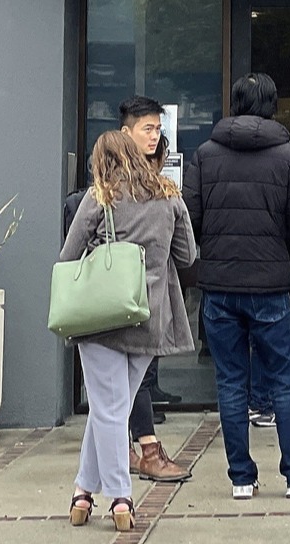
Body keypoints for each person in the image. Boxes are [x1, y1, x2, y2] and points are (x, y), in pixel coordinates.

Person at [184, 73, 290, 500]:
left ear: (235, 102)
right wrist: (280, 252)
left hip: (219, 285)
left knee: (230, 382)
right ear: (272, 105)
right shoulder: (289, 156)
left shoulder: (206, 155)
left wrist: (215, 248)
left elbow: (190, 217)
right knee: (284, 381)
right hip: (269, 286)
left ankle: (241, 480)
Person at [59, 130, 198, 530]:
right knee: (113, 408)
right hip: (148, 319)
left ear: (101, 162)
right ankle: (82, 492)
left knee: (108, 409)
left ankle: (120, 497)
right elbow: (187, 255)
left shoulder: (99, 197)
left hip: (101, 319)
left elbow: (68, 256)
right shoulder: (170, 197)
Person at [118, 96, 194, 482]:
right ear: (125, 132)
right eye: (147, 128)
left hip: (115, 298)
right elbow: (187, 254)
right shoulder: (160, 194)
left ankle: (125, 455)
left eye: (158, 130)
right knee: (129, 382)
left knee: (119, 387)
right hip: (134, 299)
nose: (154, 136)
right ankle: (145, 451)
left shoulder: (104, 187)